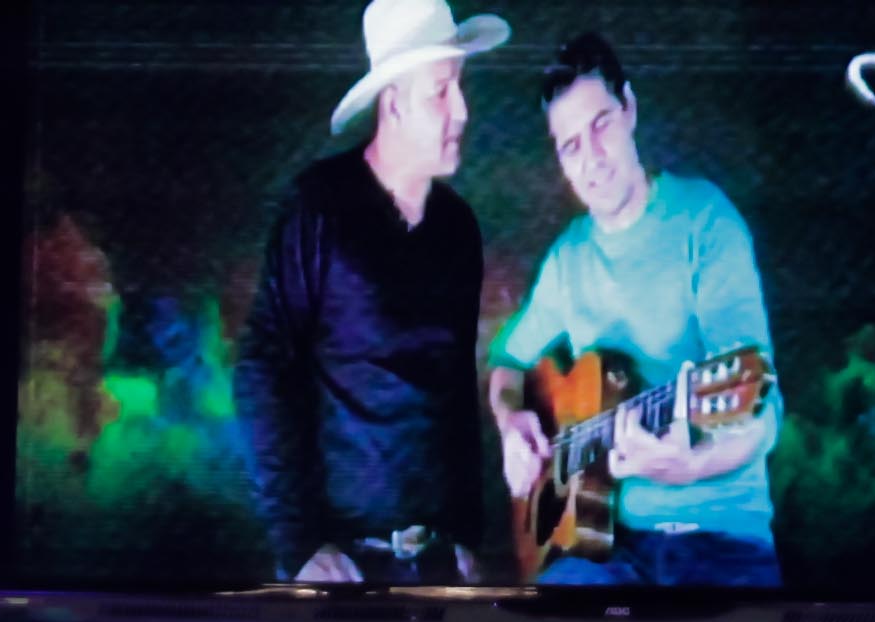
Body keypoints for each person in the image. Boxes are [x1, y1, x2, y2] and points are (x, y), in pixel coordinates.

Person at [488, 35, 782, 587]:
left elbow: (763, 408)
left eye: (600, 125)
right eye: (570, 146)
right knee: (536, 621)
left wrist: (690, 467)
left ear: (629, 107)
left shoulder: (705, 221)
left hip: (720, 542)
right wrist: (511, 423)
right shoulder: (567, 260)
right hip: (605, 548)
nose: (592, 159)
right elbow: (506, 359)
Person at [236, 0, 510, 585]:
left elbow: (457, 389)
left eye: (459, 88)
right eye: (440, 92)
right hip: (341, 566)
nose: (462, 111)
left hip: (438, 564)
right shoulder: (319, 206)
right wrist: (299, 544)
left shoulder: (458, 227)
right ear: (394, 103)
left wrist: (468, 533)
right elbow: (262, 369)